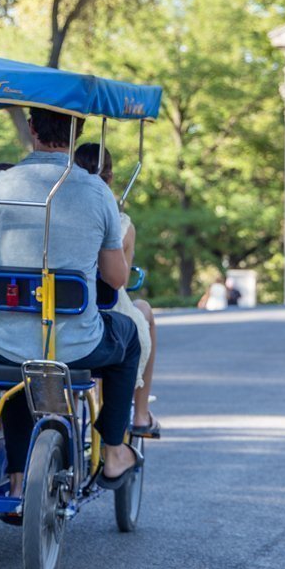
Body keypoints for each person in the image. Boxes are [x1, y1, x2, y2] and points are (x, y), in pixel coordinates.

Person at [0, 108, 142, 498]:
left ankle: (17, 482)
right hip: (76, 344)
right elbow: (116, 279)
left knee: (18, 356)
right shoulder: (96, 191)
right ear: (77, 131)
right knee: (128, 337)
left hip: (5, 343)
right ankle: (114, 451)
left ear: (31, 128)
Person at [74, 142, 161, 439]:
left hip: (60, 304)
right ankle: (139, 413)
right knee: (143, 313)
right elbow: (118, 280)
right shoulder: (120, 223)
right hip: (104, 308)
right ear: (109, 178)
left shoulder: (61, 218)